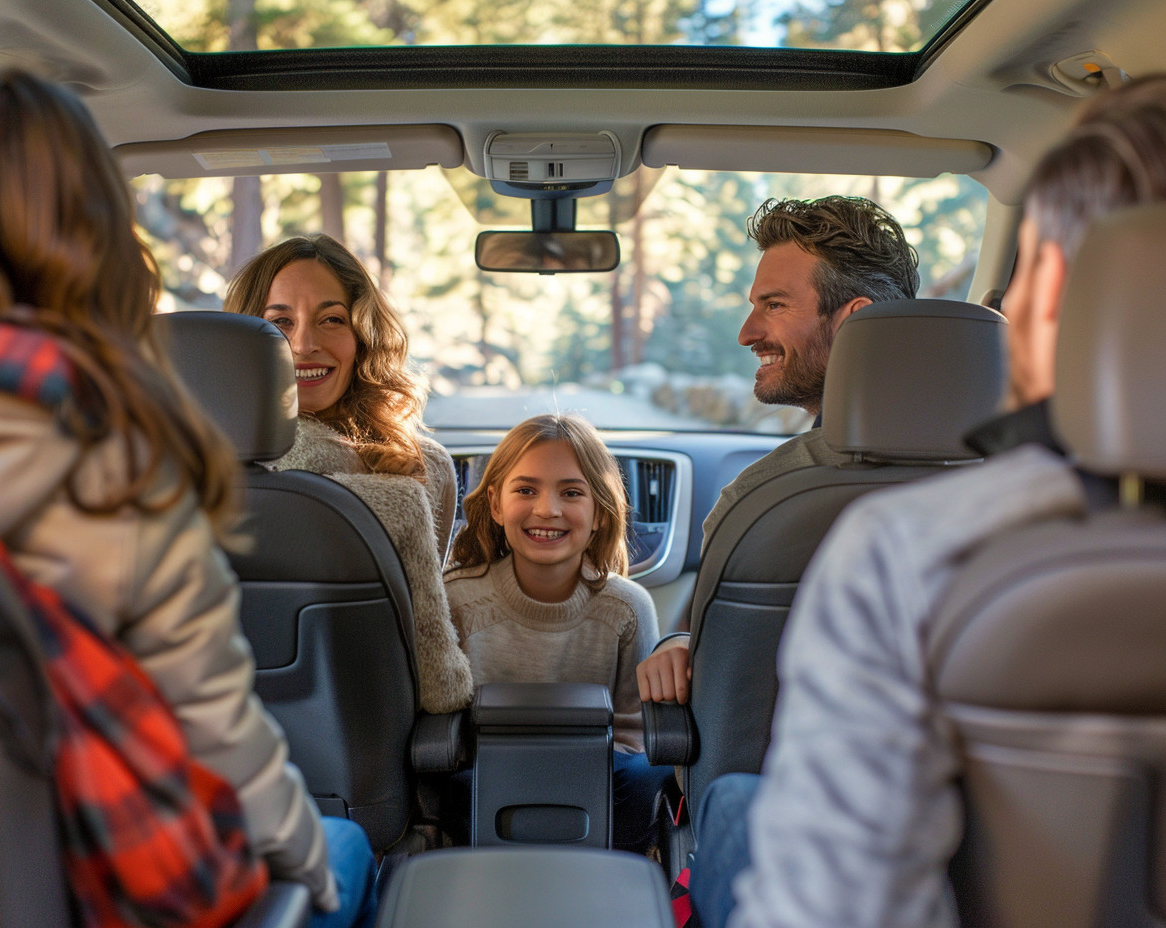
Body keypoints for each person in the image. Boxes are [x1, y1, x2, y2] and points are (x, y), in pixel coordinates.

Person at [694, 73, 1166, 928]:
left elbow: (832, 910)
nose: (747, 330)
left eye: (770, 304)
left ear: (1060, 292)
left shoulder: (907, 551)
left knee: (734, 803)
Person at [0, 67, 376, 927]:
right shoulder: (118, 472)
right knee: (346, 855)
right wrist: (311, 870)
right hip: (100, 886)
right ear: (96, 235)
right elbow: (225, 746)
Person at [638, 195, 920, 706]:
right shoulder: (1010, 484)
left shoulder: (763, 498)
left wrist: (681, 644)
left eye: (774, 304)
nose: (747, 333)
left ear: (854, 321)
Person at [445, 413, 672, 851]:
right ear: (495, 504)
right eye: (526, 490)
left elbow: (634, 736)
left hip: (597, 783)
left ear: (601, 513)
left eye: (571, 493)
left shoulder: (627, 608)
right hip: (482, 779)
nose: (547, 509)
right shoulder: (456, 600)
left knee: (653, 777)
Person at [224, 234, 457, 564]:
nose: (304, 345)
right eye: (280, 322)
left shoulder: (429, 467)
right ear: (242, 339)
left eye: (332, 319)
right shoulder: (198, 463)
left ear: (363, 337)